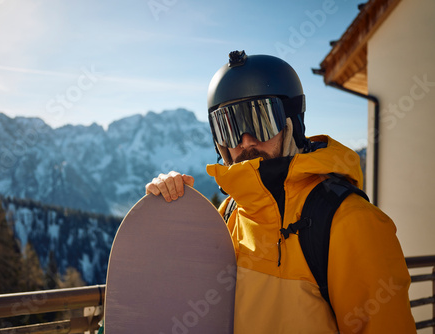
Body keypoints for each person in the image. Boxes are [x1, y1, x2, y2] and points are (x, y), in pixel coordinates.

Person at [145, 51, 416, 333]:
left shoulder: (350, 223)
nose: (245, 142)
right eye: (230, 128)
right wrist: (168, 211)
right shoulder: (227, 215)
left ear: (291, 124)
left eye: (261, 122)